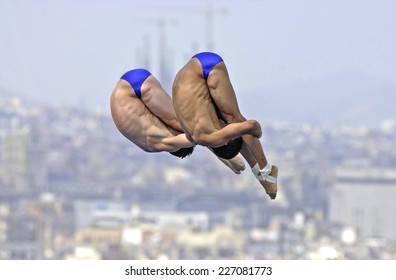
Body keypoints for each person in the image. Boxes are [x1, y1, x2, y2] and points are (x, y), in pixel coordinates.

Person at [172, 52, 278, 199]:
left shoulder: (212, 138)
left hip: (204, 68)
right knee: (232, 121)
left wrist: (258, 135)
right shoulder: (194, 137)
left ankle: (267, 173)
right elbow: (246, 130)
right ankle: (264, 176)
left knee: (234, 119)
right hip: (191, 70)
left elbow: (250, 126)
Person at [110, 68, 245, 174]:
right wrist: (226, 158)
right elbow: (198, 137)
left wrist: (228, 159)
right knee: (184, 125)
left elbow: (199, 138)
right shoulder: (156, 140)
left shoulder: (164, 143)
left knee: (183, 124)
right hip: (129, 85)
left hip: (133, 88)